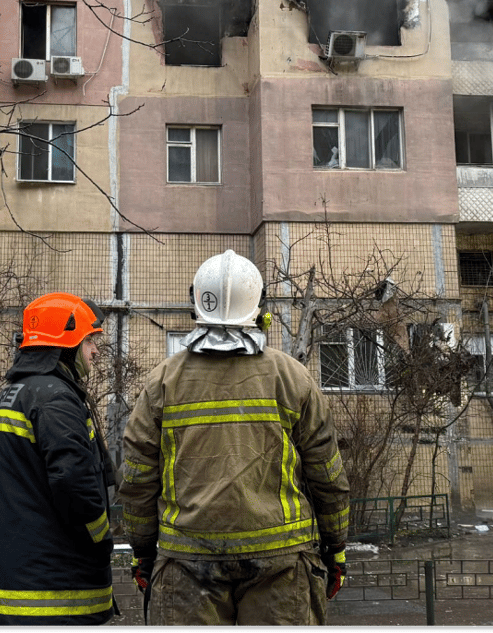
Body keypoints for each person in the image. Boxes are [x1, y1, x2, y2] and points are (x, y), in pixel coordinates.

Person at [118, 250, 351, 626]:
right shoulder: (292, 377)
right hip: (282, 564)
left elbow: (136, 478)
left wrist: (143, 552)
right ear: (259, 308)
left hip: (186, 562)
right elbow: (328, 474)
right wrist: (335, 546)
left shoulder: (163, 381)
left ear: (196, 303)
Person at [0, 293, 117, 626]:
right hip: (59, 596)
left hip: (21, 586)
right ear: (67, 344)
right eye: (90, 341)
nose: (96, 351)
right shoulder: (55, 398)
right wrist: (102, 540)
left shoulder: (13, 395)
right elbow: (74, 484)